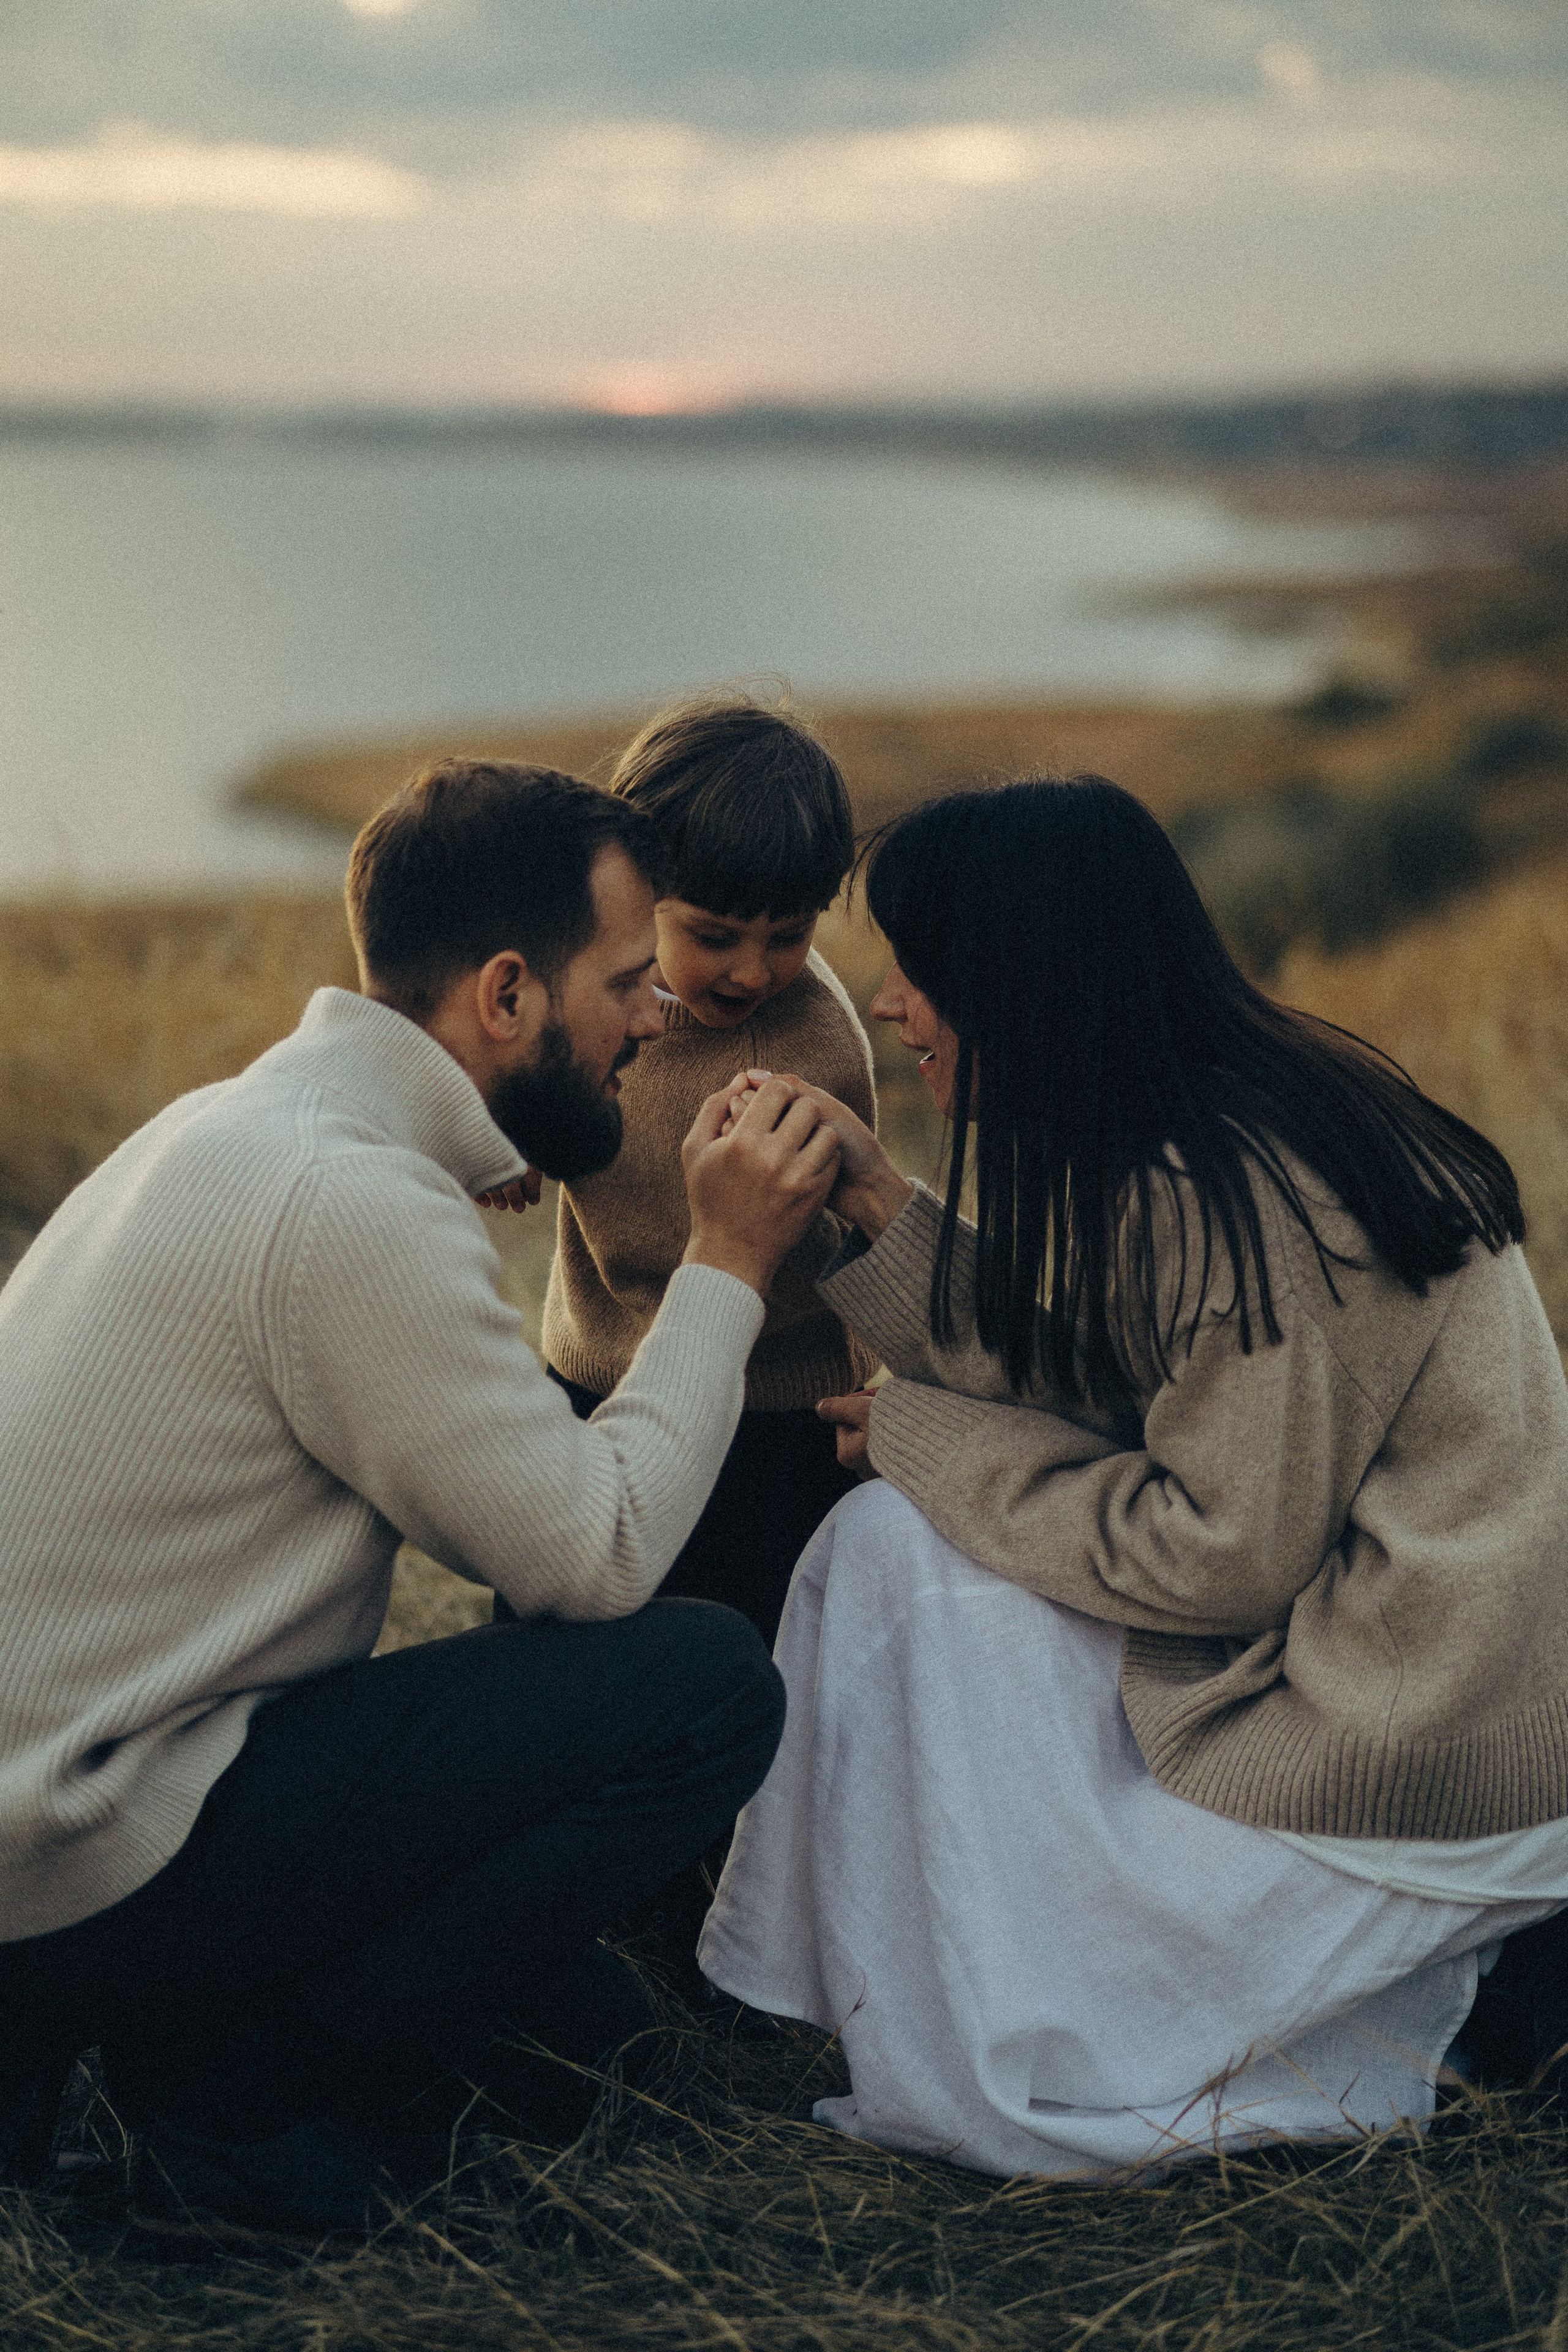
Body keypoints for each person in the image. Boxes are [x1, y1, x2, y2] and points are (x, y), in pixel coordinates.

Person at [0, 758, 843, 2233]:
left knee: (581, 2041)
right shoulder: (347, 1203)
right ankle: (236, 2120)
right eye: (628, 981)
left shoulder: (244, 1128)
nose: (656, 1017)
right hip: (83, 1845)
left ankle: (151, 2039)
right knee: (706, 1684)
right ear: (506, 998)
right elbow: (601, 1554)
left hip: (66, 1796)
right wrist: (727, 1259)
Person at [699, 774, 1568, 2179]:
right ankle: (869, 1982)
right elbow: (1105, 1368)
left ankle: (1456, 1999)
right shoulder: (1220, 1128)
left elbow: (1214, 1554)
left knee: (895, 1553)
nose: (889, 999)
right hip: (1392, 1692)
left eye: (918, 967)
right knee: (893, 1551)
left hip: (1412, 1766)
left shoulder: (1253, 1201)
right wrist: (876, 1203)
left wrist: (924, 1439)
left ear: (1016, 978)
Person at [494, 697, 878, 1647]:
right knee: (559, 1630)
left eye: (788, 935)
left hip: (772, 1414)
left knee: (745, 1650)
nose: (753, 971)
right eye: (713, 936)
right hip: (595, 1376)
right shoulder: (590, 998)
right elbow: (534, 1094)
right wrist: (501, 1147)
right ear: (639, 895)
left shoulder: (818, 1049)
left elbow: (855, 1237)